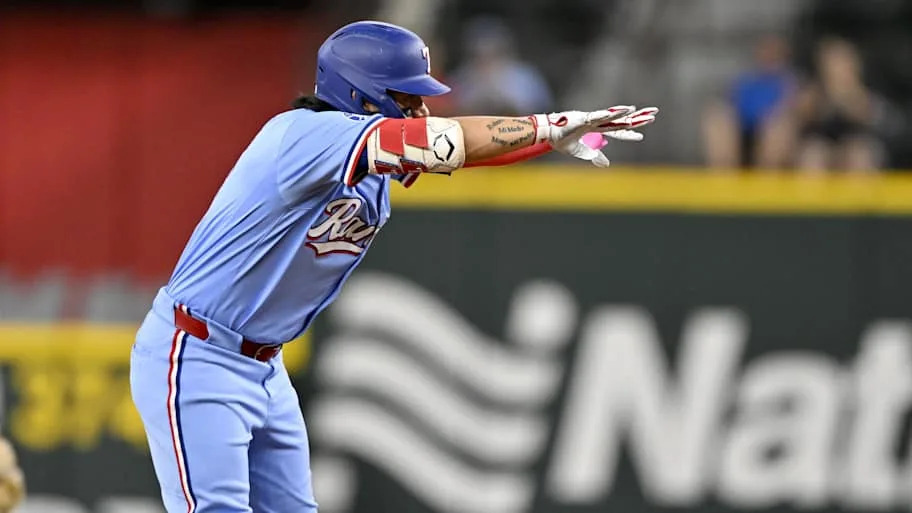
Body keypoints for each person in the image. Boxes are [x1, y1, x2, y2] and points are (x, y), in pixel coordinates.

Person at [129, 20, 658, 513]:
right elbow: (444, 144)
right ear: (361, 94)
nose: (421, 110)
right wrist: (546, 124)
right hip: (198, 353)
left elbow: (454, 151)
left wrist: (545, 138)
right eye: (407, 97)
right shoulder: (305, 135)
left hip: (265, 365)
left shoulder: (372, 167)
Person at [794, 37, 885, 172]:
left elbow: (867, 115)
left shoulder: (860, 90)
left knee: (859, 155)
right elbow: (802, 115)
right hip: (820, 142)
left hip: (855, 142)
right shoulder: (813, 89)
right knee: (812, 155)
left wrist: (847, 94)